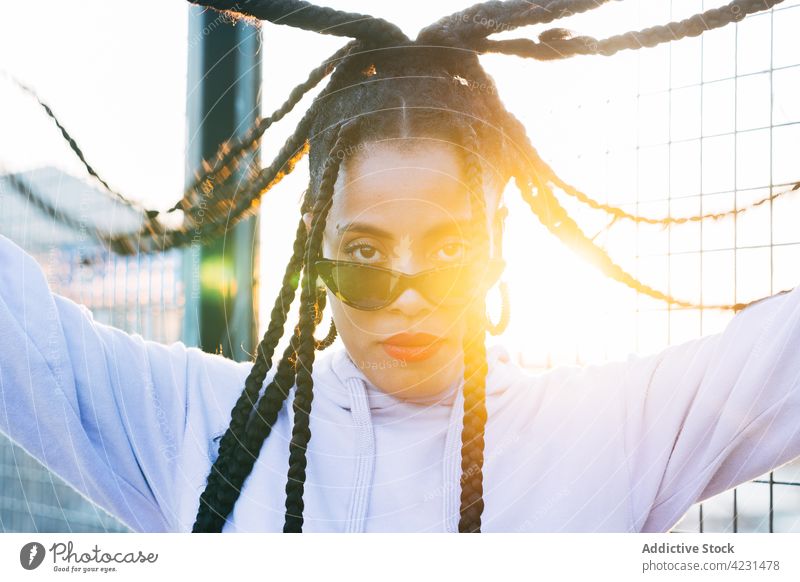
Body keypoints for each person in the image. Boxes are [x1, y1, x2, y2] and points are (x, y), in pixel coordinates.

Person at [1, 0, 798, 534]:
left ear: (496, 241)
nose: (409, 296)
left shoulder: (613, 430)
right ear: (313, 245)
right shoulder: (192, 424)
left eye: (450, 251)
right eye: (365, 254)